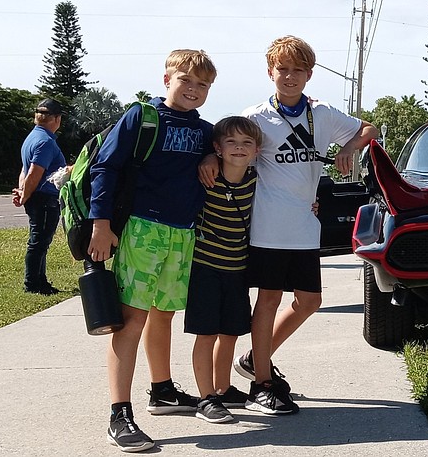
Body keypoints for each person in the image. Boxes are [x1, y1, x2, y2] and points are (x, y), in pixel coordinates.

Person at [201, 35, 378, 415]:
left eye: (298, 70)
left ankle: (254, 360)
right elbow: (222, 142)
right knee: (268, 299)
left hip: (303, 223)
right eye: (283, 69)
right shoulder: (255, 116)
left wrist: (348, 148)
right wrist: (210, 161)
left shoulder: (324, 113)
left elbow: (368, 129)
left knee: (310, 301)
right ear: (271, 72)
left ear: (309, 74)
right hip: (267, 224)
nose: (290, 76)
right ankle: (262, 384)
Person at [88, 49, 217, 452]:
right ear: (167, 80)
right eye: (186, 81)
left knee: (164, 312)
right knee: (131, 319)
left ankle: (162, 391)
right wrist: (101, 223)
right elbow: (105, 167)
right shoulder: (142, 117)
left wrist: (212, 152)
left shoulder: (205, 131)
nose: (193, 90)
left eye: (203, 85)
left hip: (183, 232)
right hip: (142, 230)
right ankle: (119, 414)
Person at [184, 116, 261, 424]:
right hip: (205, 267)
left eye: (246, 143)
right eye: (231, 142)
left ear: (257, 149)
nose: (239, 148)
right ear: (217, 147)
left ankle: (223, 387)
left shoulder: (257, 180)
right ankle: (206, 398)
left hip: (237, 268)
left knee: (230, 332)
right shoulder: (205, 178)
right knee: (206, 334)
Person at [12, 98, 67, 295]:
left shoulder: (32, 138)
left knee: (41, 241)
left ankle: (40, 281)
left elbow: (24, 170)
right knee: (39, 242)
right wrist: (26, 194)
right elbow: (35, 171)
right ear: (56, 119)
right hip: (44, 198)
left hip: (36, 196)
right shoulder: (45, 142)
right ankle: (32, 284)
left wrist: (23, 191)